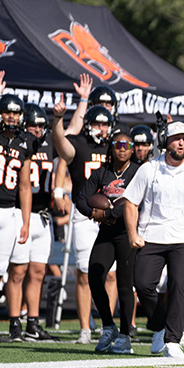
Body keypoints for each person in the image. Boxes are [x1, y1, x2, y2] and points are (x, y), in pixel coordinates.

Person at [124, 121, 184, 357]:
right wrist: (132, 234)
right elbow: (131, 202)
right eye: (176, 138)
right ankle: (159, 326)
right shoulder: (149, 168)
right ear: (164, 141)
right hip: (151, 237)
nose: (181, 143)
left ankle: (173, 340)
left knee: (180, 285)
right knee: (143, 284)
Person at [51, 83, 116, 344]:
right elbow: (60, 145)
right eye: (97, 124)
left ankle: (108, 326)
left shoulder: (116, 147)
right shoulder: (78, 143)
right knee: (85, 273)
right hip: (84, 214)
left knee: (110, 273)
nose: (102, 129)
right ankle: (85, 329)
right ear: (88, 123)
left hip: (110, 215)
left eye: (105, 124)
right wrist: (57, 119)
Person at [76, 130, 140, 354]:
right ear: (111, 147)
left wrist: (111, 214)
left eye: (127, 144)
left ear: (132, 149)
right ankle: (108, 326)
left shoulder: (138, 172)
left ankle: (124, 336)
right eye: (118, 144)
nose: (122, 148)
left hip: (126, 232)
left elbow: (138, 203)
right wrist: (95, 212)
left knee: (125, 285)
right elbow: (81, 199)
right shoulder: (102, 172)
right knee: (94, 275)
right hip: (106, 232)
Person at [5, 103, 58, 342]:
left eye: (40, 125)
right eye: (32, 125)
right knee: (18, 270)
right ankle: (15, 322)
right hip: (20, 213)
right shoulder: (16, 144)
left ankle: (32, 324)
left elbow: (70, 138)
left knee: (38, 272)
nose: (37, 129)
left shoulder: (49, 143)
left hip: (44, 216)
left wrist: (62, 115)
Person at [0, 92, 32, 343]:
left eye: (15, 113)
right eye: (7, 112)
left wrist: (25, 220)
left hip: (7, 212)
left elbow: (24, 186)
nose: (11, 117)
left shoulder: (24, 142)